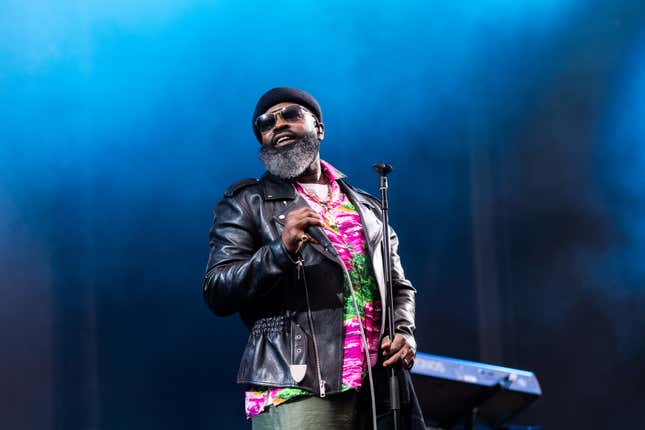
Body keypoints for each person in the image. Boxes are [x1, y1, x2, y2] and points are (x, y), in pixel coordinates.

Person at [203, 87, 417, 429]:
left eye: (291, 115)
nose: (278, 125)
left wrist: (405, 331)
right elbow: (217, 289)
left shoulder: (366, 206)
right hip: (297, 386)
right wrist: (280, 251)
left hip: (378, 389)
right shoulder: (248, 201)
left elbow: (398, 285)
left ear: (320, 128)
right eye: (266, 123)